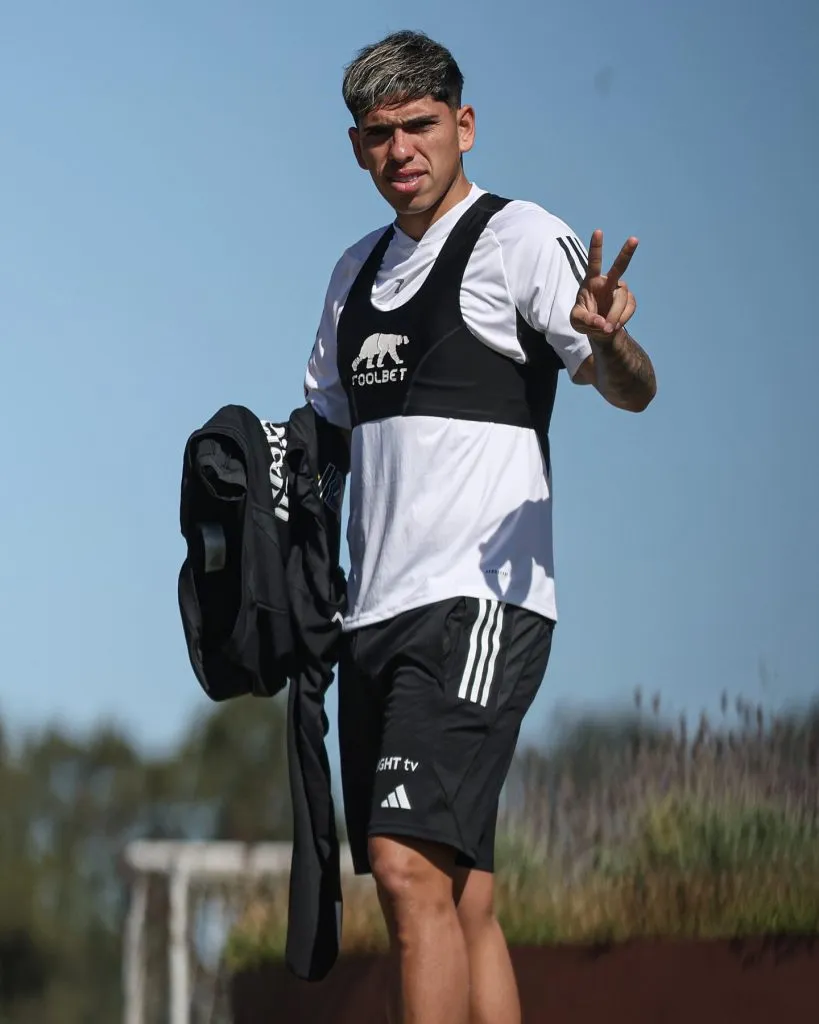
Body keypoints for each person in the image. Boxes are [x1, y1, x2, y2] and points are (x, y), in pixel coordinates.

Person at [303, 28, 657, 1024]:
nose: (400, 150)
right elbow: (323, 439)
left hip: (479, 607)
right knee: (462, 895)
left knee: (405, 866)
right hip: (374, 617)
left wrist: (610, 340)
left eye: (420, 126)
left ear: (463, 126)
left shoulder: (516, 238)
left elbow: (632, 390)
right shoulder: (351, 275)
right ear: (357, 147)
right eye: (379, 134)